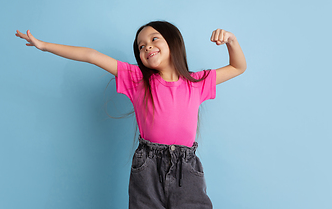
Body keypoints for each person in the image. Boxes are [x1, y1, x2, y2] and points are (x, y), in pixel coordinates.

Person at [16, 21, 246, 209]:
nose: (146, 47)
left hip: (185, 168)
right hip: (147, 164)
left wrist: (231, 40)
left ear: (173, 41)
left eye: (154, 39)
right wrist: (44, 45)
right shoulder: (136, 79)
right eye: (141, 46)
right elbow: (91, 55)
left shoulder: (197, 82)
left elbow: (238, 67)